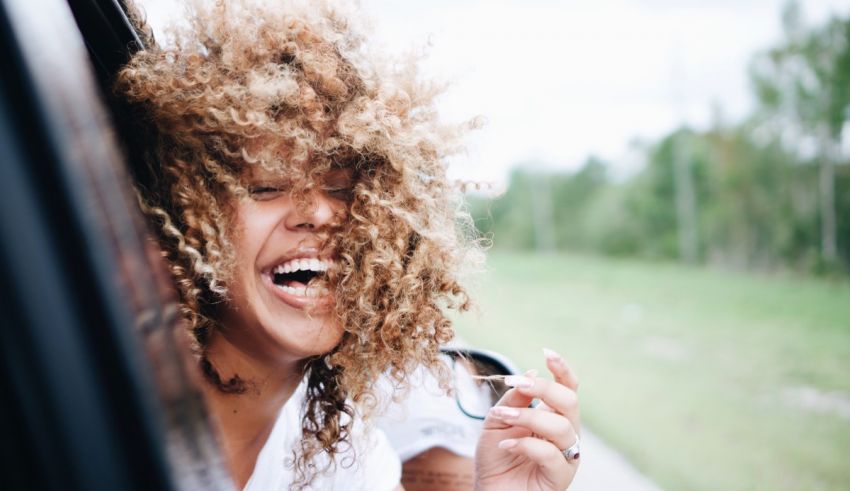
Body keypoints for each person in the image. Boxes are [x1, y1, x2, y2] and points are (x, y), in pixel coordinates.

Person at [115, 1, 581, 489]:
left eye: (342, 190)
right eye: (267, 186)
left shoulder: (350, 459)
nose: (317, 213)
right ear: (184, 213)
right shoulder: (104, 411)